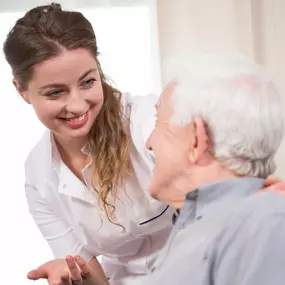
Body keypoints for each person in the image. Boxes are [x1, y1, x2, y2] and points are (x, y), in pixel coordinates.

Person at [3, 3, 285, 285]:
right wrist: (75, 277)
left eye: (88, 82)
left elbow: (227, 184)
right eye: (55, 92)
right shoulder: (39, 176)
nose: (77, 105)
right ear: (21, 90)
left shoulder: (151, 123)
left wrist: (256, 196)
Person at [144, 53, 285, 284]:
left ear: (196, 139)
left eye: (158, 121)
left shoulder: (266, 220)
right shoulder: (194, 228)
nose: (149, 142)